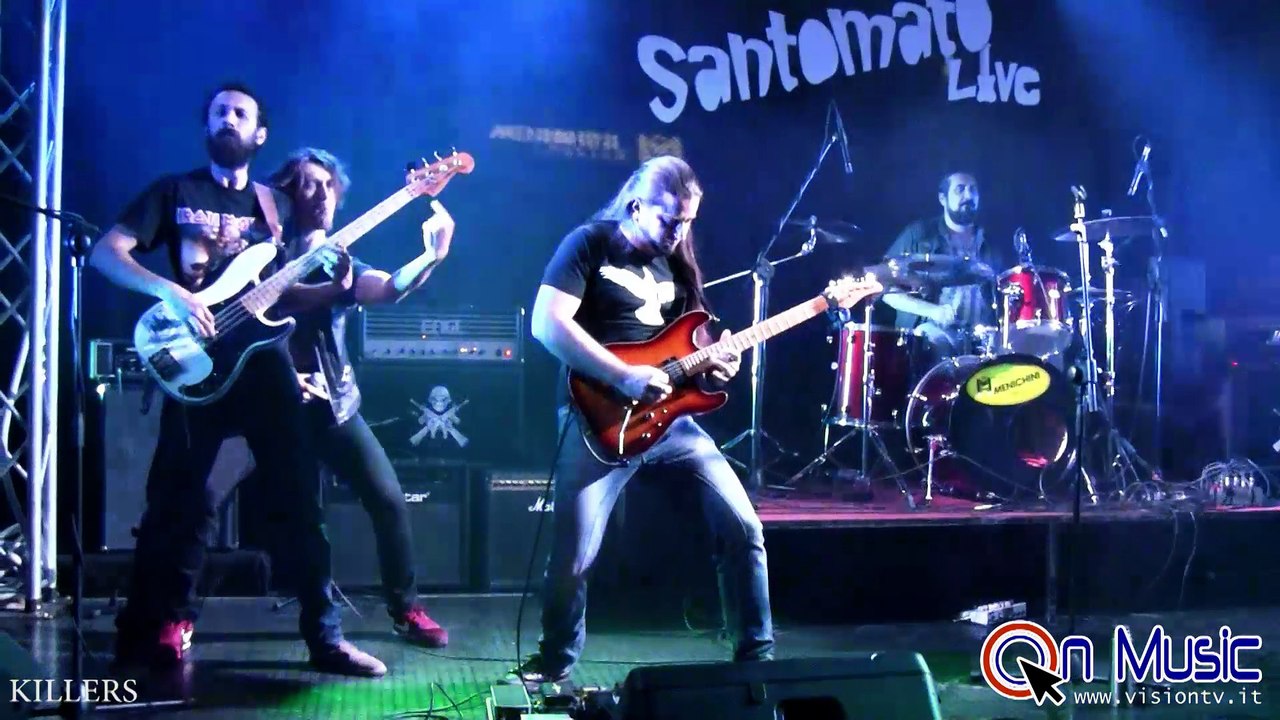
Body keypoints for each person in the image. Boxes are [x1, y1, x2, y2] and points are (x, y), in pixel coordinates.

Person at [88, 83, 384, 676]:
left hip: (264, 366)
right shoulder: (174, 191)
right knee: (176, 502)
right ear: (207, 126)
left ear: (259, 134)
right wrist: (171, 293)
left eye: (240, 113)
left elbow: (286, 290)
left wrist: (336, 281)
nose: (228, 118)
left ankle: (325, 637)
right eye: (219, 111)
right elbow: (106, 253)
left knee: (299, 498)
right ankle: (157, 625)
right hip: (196, 362)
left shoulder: (275, 206)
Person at [512, 155, 774, 691]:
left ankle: (758, 660)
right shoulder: (589, 244)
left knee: (745, 528)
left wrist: (718, 365)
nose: (680, 233)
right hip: (598, 420)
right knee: (575, 558)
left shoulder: (678, 263)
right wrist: (623, 376)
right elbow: (545, 323)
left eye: (688, 222)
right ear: (636, 207)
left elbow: (694, 350)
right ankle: (554, 659)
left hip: (671, 424)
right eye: (671, 221)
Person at [263, 147, 453, 647]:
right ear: (286, 194)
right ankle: (176, 615)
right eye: (309, 183)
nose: (322, 194)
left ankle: (406, 609)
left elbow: (387, 288)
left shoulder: (339, 261)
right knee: (205, 502)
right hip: (265, 405)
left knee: (388, 500)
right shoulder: (259, 257)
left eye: (329, 185)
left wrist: (430, 257)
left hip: (332, 405)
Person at [880, 171, 1002, 362]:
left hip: (981, 337)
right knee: (934, 344)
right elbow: (886, 290)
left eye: (973, 190)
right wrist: (933, 311)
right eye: (960, 189)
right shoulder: (918, 234)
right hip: (934, 330)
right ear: (942, 198)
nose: (968, 196)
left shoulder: (990, 242)